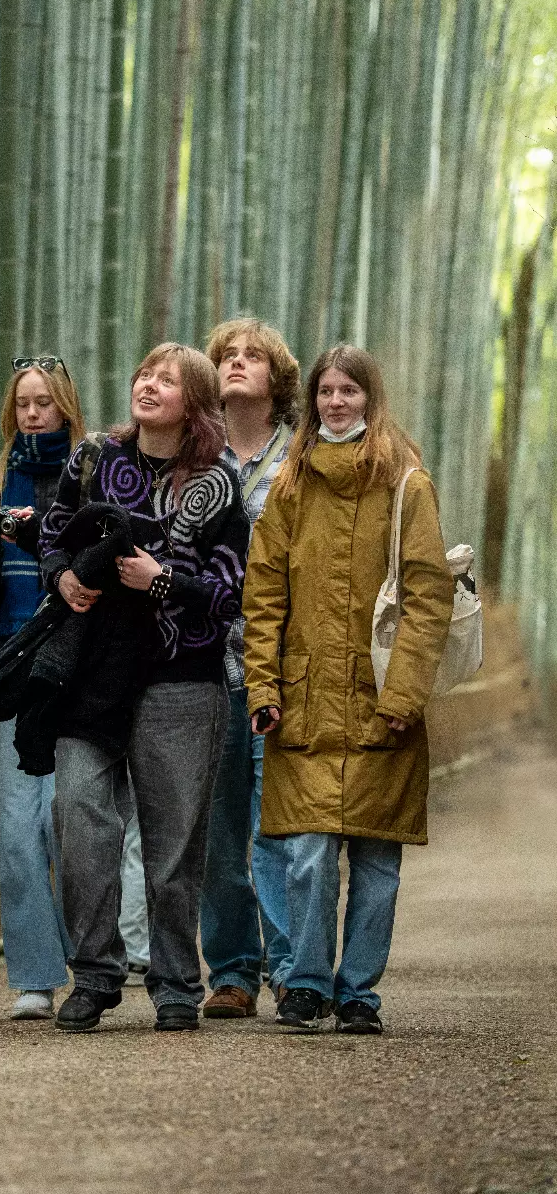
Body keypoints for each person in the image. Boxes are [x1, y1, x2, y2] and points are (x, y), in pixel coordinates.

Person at [39, 343, 250, 1034]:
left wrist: (162, 581)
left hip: (181, 678)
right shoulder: (95, 457)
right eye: (145, 374)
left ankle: (176, 982)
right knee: (77, 811)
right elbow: (52, 532)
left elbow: (231, 591)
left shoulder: (217, 483)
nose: (149, 385)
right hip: (94, 673)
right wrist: (62, 576)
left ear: (195, 402)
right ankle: (95, 974)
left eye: (167, 379)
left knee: (173, 842)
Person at [242, 345, 453, 1034]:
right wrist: (262, 686)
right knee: (305, 854)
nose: (336, 402)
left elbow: (428, 593)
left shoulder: (406, 482)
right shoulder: (291, 484)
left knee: (376, 857)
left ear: (371, 398)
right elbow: (263, 594)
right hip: (303, 698)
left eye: (349, 391)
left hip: (381, 697)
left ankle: (359, 990)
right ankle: (305, 983)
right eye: (326, 391)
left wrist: (405, 693)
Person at [0, 356, 85, 1021]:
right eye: (23, 403)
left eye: (44, 402)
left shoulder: (94, 473)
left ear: (66, 405)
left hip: (73, 666)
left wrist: (43, 537)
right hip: (11, 662)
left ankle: (89, 958)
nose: (33, 414)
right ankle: (35, 977)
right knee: (15, 832)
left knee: (64, 821)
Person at [199, 318, 300, 1020]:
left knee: (278, 825)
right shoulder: (194, 457)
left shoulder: (300, 460)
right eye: (226, 356)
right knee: (216, 831)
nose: (237, 364)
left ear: (277, 377)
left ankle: (292, 968)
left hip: (279, 668)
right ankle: (233, 969)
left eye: (252, 356)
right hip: (204, 668)